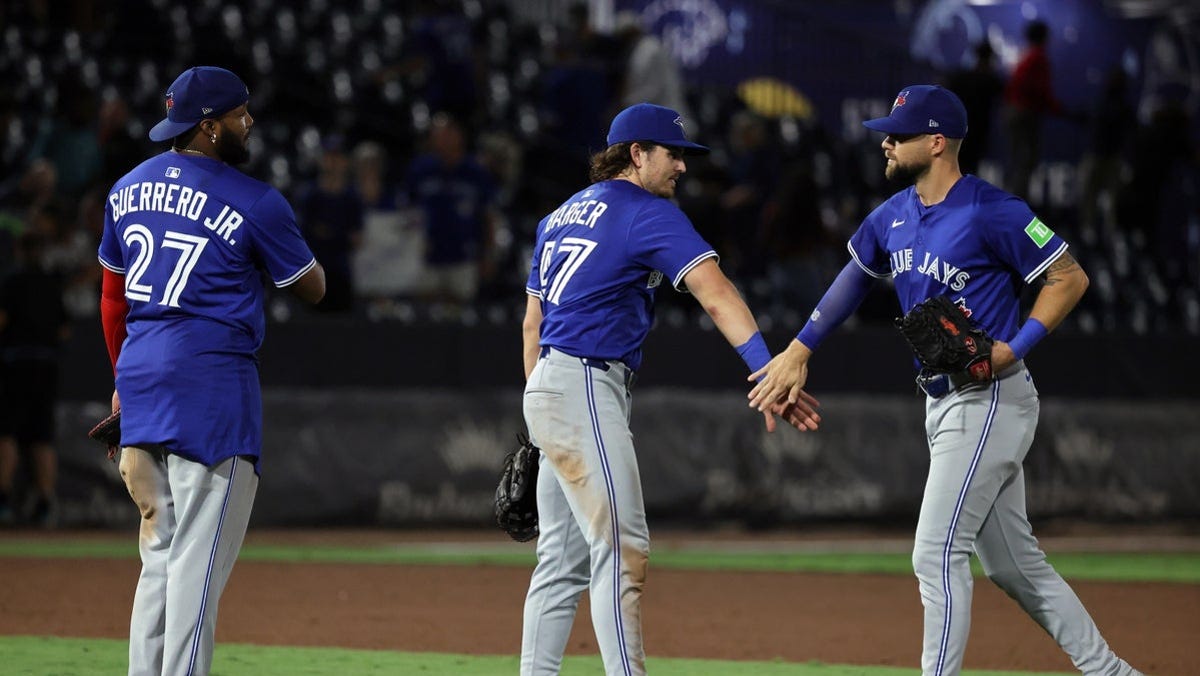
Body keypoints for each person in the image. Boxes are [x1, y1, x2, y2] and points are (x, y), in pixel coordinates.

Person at [747, 85, 1140, 676]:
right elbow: (852, 281)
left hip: (989, 398)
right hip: (942, 402)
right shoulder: (892, 215)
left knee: (935, 552)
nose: (885, 140)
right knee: (1014, 565)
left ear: (936, 143)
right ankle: (1112, 672)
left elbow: (1068, 277)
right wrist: (799, 349)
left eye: (898, 134)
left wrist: (1013, 348)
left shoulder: (992, 209)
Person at [519, 102, 819, 676]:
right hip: (584, 383)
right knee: (622, 549)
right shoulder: (646, 212)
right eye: (673, 153)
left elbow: (532, 324)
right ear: (637, 155)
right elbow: (717, 293)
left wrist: (539, 420)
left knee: (559, 563)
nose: (682, 167)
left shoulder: (557, 216)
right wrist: (767, 369)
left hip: (549, 383)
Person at [97, 66, 325, 676]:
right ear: (209, 125)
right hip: (211, 388)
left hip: (141, 384)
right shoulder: (253, 198)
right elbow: (313, 287)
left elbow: (113, 299)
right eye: (240, 114)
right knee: (197, 565)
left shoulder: (125, 189)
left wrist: (122, 380)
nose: (248, 122)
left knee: (159, 558)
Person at [0, 231, 69, 527]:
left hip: (15, 365)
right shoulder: (51, 283)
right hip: (47, 366)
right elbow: (65, 331)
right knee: (42, 437)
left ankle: (2, 499)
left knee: (6, 433)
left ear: (18, 250)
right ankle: (45, 502)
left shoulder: (11, 280)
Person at [1002, 20, 1065, 201]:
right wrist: (1060, 110)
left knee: (1018, 162)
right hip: (1025, 115)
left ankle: (1012, 206)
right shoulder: (1038, 58)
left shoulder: (1026, 56)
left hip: (1016, 113)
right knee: (1024, 162)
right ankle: (1016, 209)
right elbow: (1040, 90)